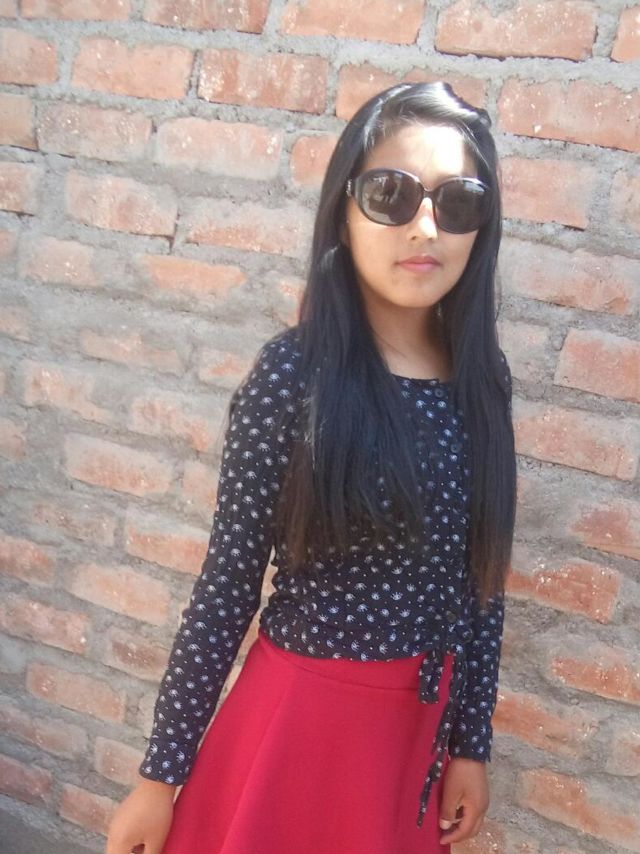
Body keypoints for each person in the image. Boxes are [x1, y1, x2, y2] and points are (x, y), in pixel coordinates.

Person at [106, 80, 517, 854]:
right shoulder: (295, 377)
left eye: (458, 202)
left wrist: (470, 744)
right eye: (392, 194)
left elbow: (481, 586)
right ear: (344, 210)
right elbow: (228, 584)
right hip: (296, 733)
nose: (425, 225)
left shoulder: (480, 382)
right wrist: (159, 778)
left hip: (410, 748)